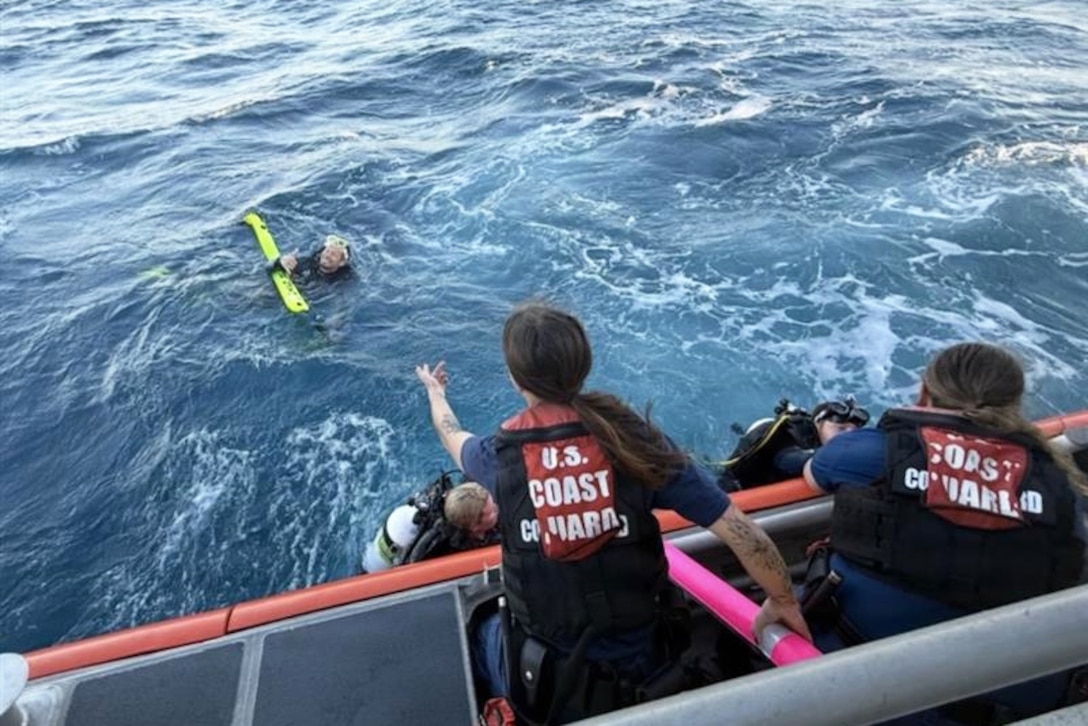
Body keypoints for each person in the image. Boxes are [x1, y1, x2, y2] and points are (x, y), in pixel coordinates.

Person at [416, 301, 810, 724]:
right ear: (583, 366)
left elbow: (450, 432)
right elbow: (739, 529)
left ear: (515, 379)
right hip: (649, 658)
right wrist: (783, 600)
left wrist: (436, 392)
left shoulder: (499, 459)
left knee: (477, 627)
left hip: (551, 678)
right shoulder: (635, 445)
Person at [801, 341, 1088, 722]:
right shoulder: (1061, 490)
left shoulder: (870, 453)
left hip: (849, 684)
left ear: (924, 393)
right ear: (1014, 406)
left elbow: (814, 474)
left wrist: (836, 436)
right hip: (1006, 710)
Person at [721, 397, 870, 490]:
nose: (846, 437)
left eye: (853, 433)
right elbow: (788, 462)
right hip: (737, 486)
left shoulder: (819, 439)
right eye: (840, 429)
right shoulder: (788, 435)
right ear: (818, 422)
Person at [361, 474, 500, 573]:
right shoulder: (447, 547)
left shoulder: (463, 497)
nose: (497, 508)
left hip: (402, 521)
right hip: (392, 546)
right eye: (492, 511)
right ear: (474, 527)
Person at [270, 234, 353, 281]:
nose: (327, 255)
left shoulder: (344, 279)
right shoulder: (307, 262)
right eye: (327, 251)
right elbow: (268, 268)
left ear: (342, 262)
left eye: (333, 254)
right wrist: (279, 262)